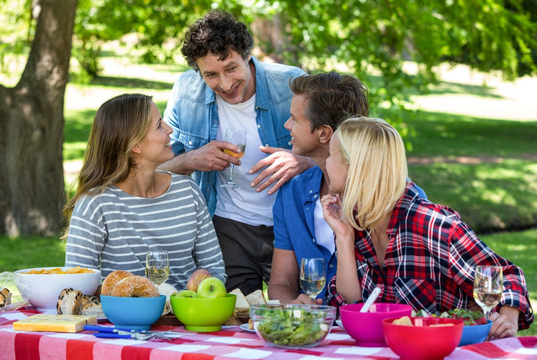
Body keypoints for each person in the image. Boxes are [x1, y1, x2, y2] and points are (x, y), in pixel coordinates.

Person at [321, 117, 533, 338]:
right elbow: (351, 305)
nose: (325, 162)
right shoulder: (356, 225)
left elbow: (506, 275)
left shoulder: (433, 225)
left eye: (330, 155)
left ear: (352, 167)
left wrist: (507, 320)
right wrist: (343, 238)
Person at [162, 10, 312, 295]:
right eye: (211, 75)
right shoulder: (186, 91)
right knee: (232, 316)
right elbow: (158, 168)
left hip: (292, 225)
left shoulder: (292, 85)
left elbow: (339, 151)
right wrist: (189, 160)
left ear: (248, 55)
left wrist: (302, 162)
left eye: (231, 68)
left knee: (301, 312)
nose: (225, 84)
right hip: (228, 226)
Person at [268, 73, 426, 305]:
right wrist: (293, 306)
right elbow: (280, 283)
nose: (287, 125)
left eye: (294, 119)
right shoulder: (292, 193)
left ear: (323, 133)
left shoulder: (396, 200)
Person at [63, 94, 226, 290]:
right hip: (124, 318)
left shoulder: (188, 191)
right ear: (135, 145)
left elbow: (215, 270)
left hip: (187, 314)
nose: (169, 129)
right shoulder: (96, 203)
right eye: (159, 125)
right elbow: (76, 284)